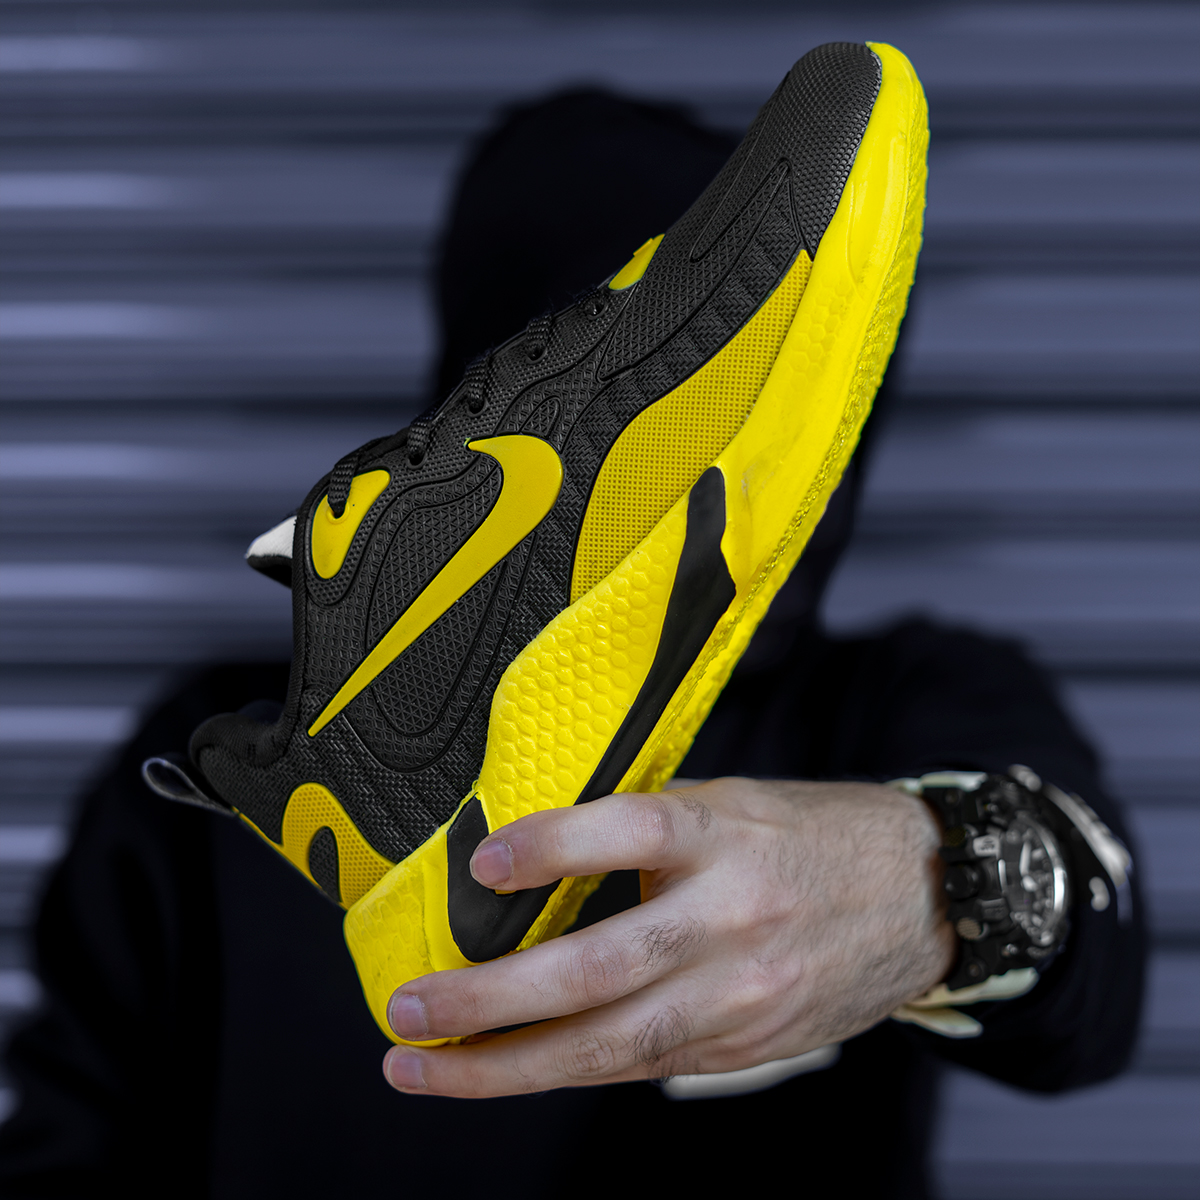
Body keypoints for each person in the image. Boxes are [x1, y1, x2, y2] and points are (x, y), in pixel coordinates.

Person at [0, 89, 1145, 1199]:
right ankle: (455, 652)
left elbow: (1096, 972)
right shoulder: (195, 790)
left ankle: (468, 664)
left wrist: (925, 881)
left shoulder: (903, 701)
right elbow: (67, 1139)